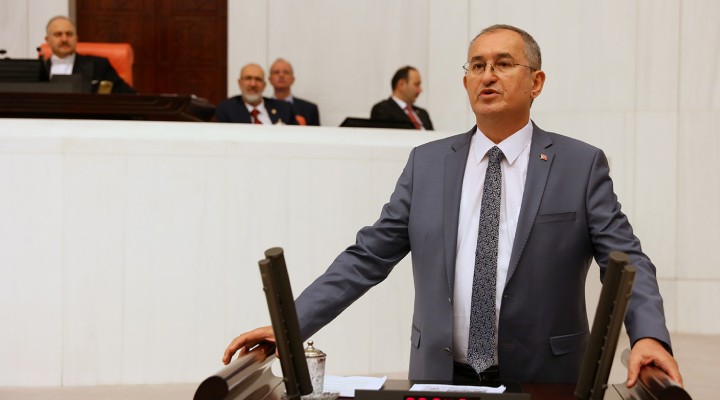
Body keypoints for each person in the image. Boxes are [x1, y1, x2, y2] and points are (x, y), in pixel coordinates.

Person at [223, 25, 682, 388]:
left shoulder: (579, 164)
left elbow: (627, 260)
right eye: (477, 65)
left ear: (536, 82)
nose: (488, 75)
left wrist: (649, 335)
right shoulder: (427, 163)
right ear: (465, 81)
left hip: (546, 380)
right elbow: (367, 257)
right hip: (438, 376)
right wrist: (291, 324)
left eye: (504, 64)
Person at [44, 16, 135, 94]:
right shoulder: (39, 68)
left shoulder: (99, 65)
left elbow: (128, 95)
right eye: (58, 34)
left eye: (69, 34)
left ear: (76, 38)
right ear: (47, 40)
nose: (64, 39)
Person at [216, 63, 297, 125]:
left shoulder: (284, 109)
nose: (253, 84)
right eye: (248, 78)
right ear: (239, 83)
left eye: (258, 79)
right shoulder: (227, 109)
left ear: (264, 85)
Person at [370, 66, 434, 130]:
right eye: (416, 84)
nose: (420, 90)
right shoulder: (383, 109)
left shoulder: (423, 113)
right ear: (401, 84)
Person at [268, 58, 320, 126]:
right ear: (270, 79)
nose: (281, 75)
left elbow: (317, 132)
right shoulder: (262, 107)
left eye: (286, 72)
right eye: (276, 72)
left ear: (293, 79)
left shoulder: (309, 109)